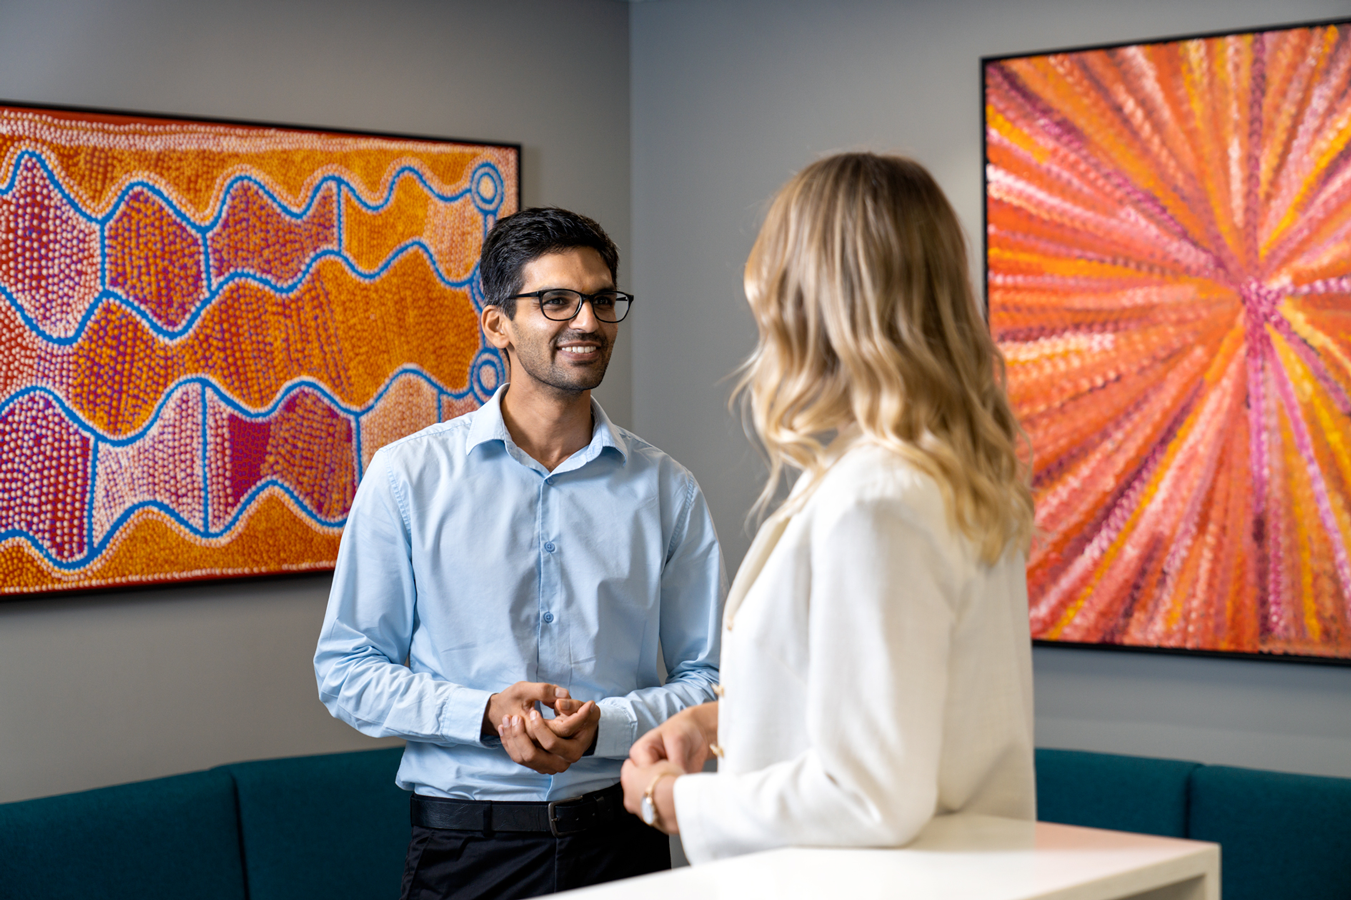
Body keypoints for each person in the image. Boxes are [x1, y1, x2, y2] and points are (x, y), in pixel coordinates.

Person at [620, 153, 1037, 864]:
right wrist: (723, 722)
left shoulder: (876, 500)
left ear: (807, 300)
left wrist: (674, 799)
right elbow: (903, 720)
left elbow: (867, 794)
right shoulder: (934, 477)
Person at [315, 207, 725, 899]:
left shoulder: (666, 489)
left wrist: (606, 728)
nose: (587, 322)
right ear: (496, 324)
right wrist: (486, 713)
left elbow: (710, 679)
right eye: (556, 301)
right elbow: (347, 671)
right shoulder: (408, 477)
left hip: (623, 842)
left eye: (601, 299)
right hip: (465, 851)